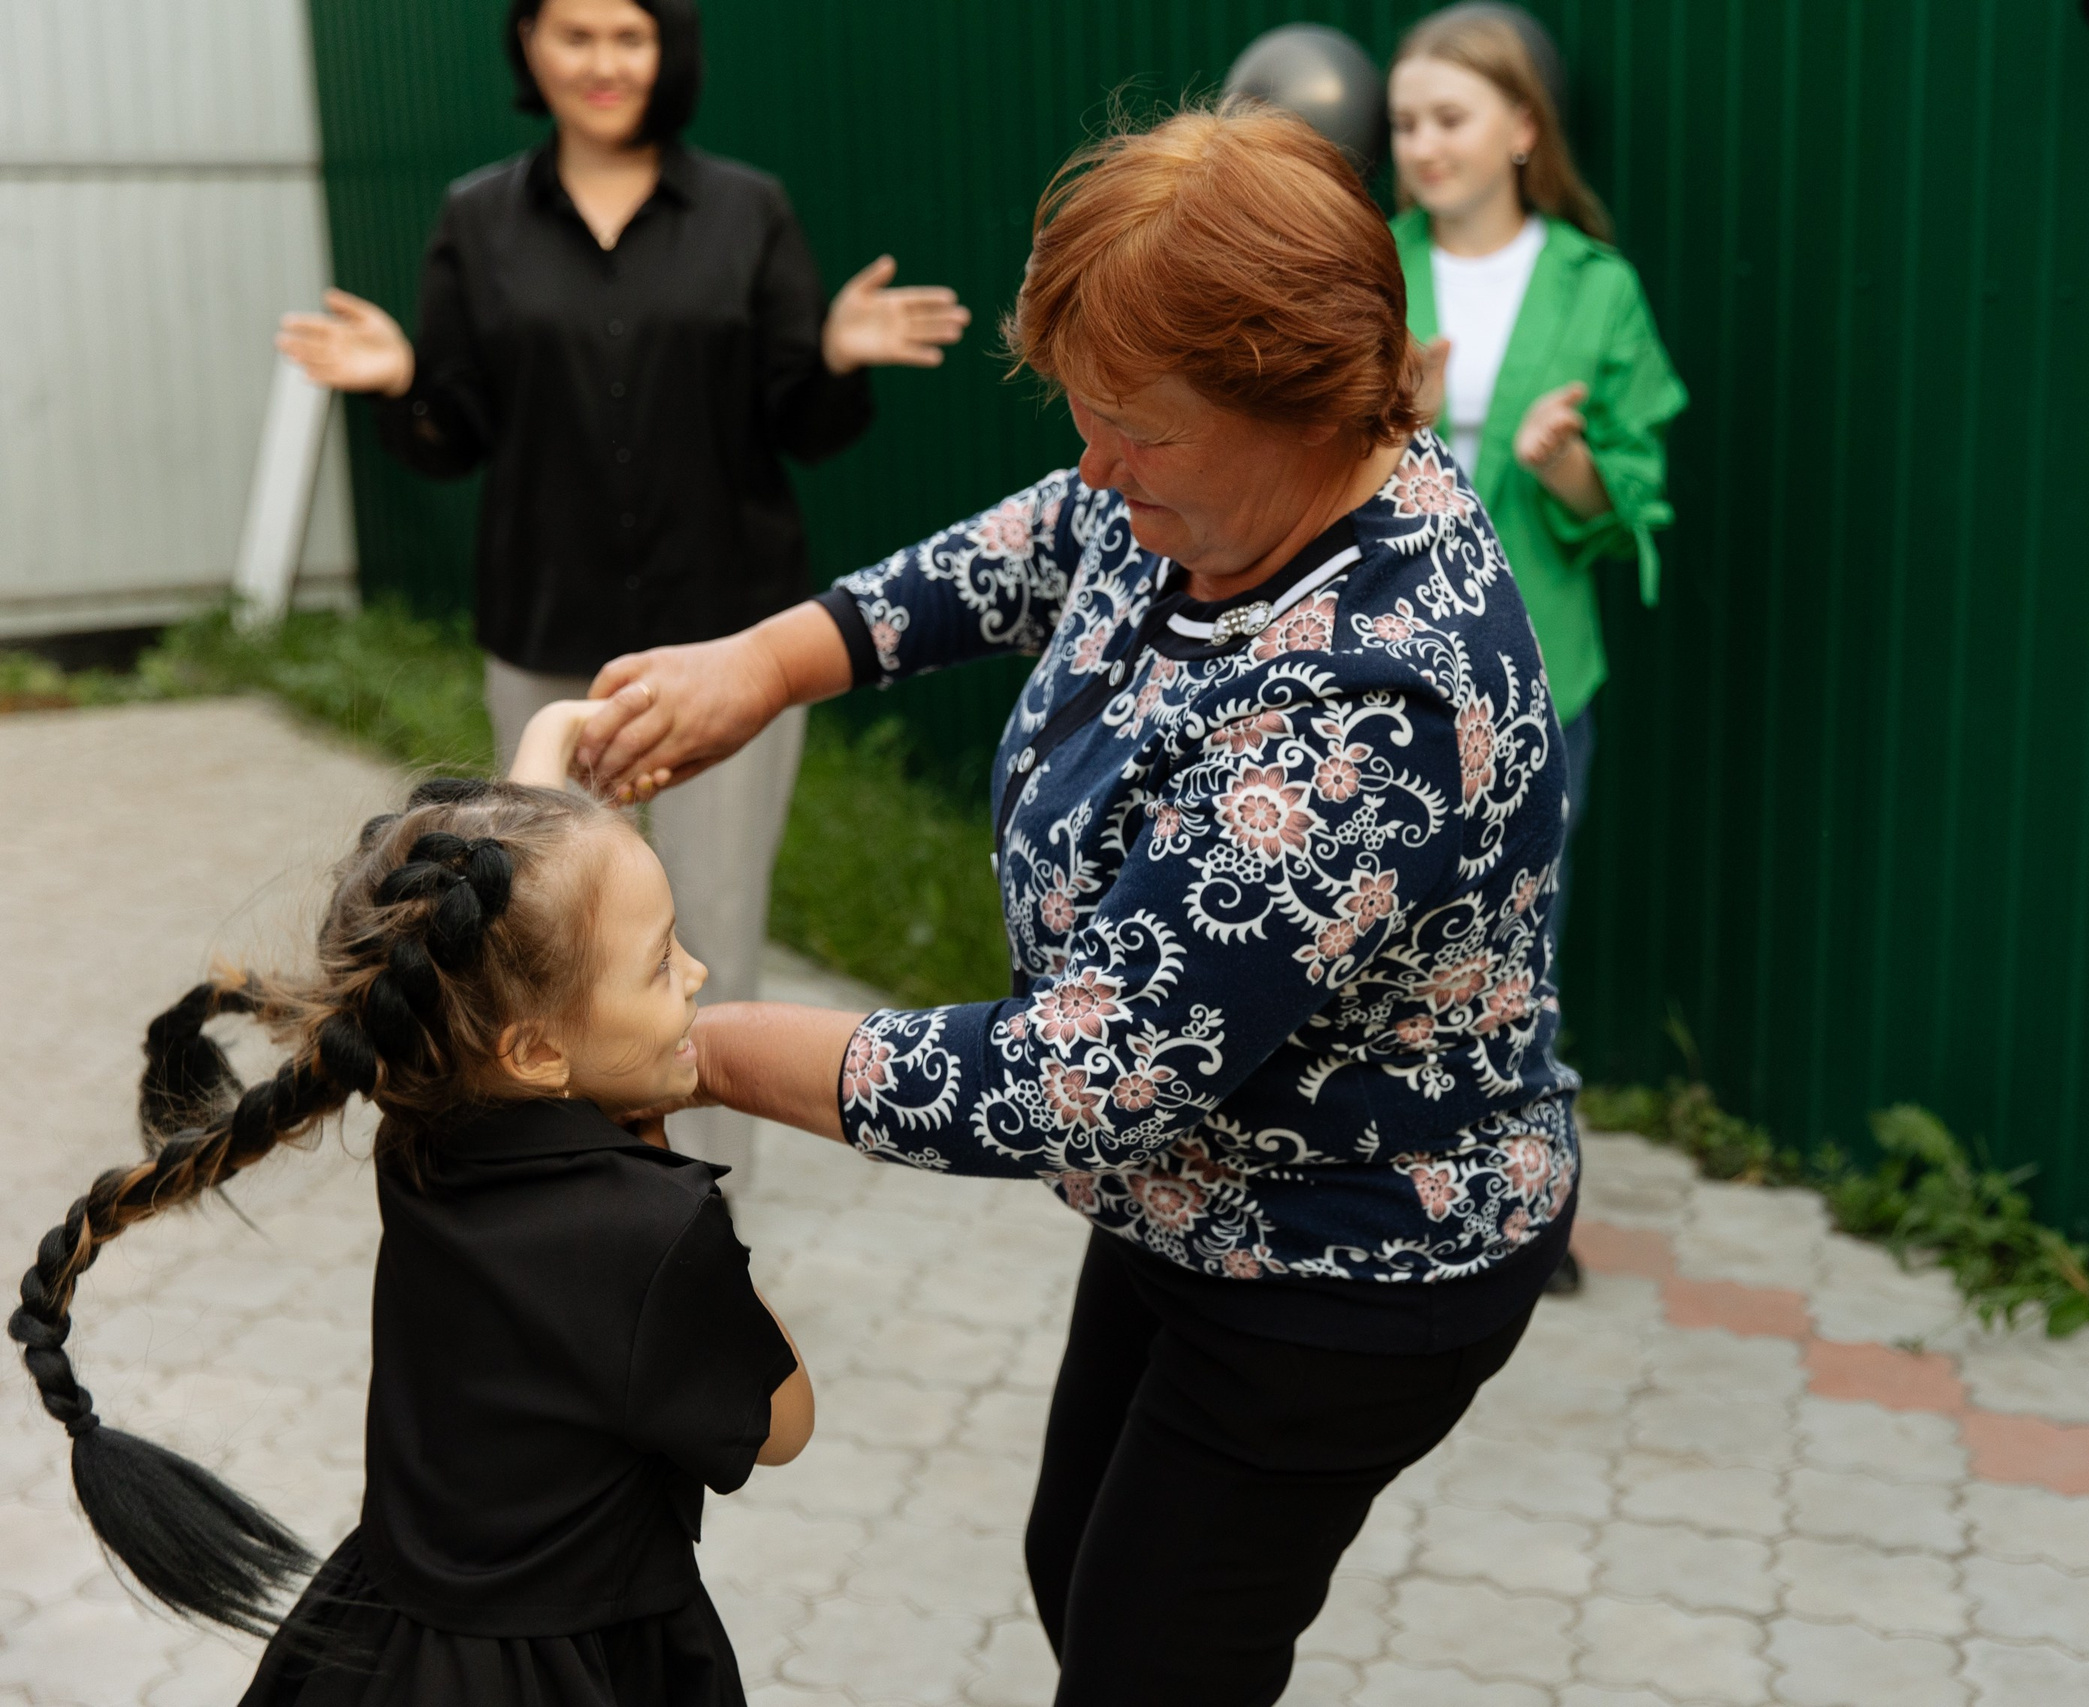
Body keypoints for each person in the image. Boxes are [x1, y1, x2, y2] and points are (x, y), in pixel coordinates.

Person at [568, 106, 1580, 1707]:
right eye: (1087, 417)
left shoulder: (1377, 691)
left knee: (1151, 1655)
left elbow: (1076, 1078)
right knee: (1079, 1565)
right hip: (1193, 1196)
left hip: (1350, 1260)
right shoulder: (1211, 490)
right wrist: (771, 658)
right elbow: (1041, 537)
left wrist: (675, 1047)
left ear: (1311, 395)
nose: (1100, 466)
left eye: (1139, 431)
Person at [276, 0, 969, 1186]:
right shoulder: (476, 218)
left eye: (629, 36)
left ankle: (696, 1222)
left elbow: (799, 418)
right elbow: (454, 430)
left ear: (669, 52)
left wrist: (837, 356)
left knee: (712, 934)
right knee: (542, 943)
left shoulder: (746, 210)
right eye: (576, 34)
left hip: (728, 645)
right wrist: (403, 382)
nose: (603, 62)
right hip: (549, 642)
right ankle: (567, 1210)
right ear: (531, 50)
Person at [7, 741, 815, 1706]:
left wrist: (555, 759)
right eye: (659, 963)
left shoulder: (422, 1126)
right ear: (537, 1049)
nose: (696, 971)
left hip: (389, 1648)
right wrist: (676, 1175)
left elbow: (497, 923)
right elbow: (783, 1425)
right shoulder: (659, 1229)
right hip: (581, 1669)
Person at [1387, 5, 1688, 959]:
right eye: (1404, 124)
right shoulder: (1365, 266)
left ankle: (1506, 1110)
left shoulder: (1596, 287)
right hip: (1380, 659)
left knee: (1513, 950)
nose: (1423, 145)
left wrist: (1567, 466)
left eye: (1449, 117)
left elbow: (1627, 501)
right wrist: (1400, 423)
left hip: (1537, 667)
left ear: (1524, 127)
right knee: (1374, 947)